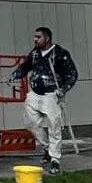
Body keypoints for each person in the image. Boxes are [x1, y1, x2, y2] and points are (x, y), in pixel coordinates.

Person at [11, 25, 79, 173]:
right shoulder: (35, 53)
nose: (35, 39)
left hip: (51, 94)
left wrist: (63, 89)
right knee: (30, 123)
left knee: (54, 127)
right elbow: (26, 66)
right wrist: (16, 74)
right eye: (35, 37)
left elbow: (72, 74)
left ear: (47, 38)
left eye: (38, 37)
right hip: (35, 94)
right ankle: (47, 148)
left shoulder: (60, 53)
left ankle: (55, 159)